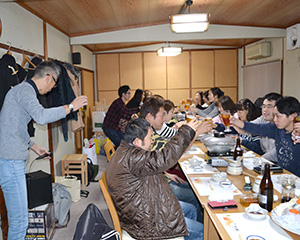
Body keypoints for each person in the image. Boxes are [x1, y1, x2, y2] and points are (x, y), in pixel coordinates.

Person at [0, 61, 88, 240]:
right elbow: (41, 116)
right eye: (54, 84)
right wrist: (71, 107)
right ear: (49, 77)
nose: (52, 89)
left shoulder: (21, 91)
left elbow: (14, 127)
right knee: (20, 222)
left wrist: (33, 146)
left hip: (11, 158)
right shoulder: (24, 90)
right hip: (10, 161)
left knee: (20, 219)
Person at [106, 118, 205, 240]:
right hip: (145, 222)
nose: (152, 141)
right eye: (150, 138)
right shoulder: (133, 158)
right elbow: (165, 156)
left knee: (190, 209)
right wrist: (186, 131)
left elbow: (158, 160)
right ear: (137, 141)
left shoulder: (127, 151)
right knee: (202, 231)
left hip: (142, 204)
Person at [140, 97, 212, 222]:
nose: (164, 119)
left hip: (157, 178)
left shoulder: (147, 130)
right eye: (162, 115)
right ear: (150, 117)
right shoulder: (145, 136)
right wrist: (196, 133)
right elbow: (172, 153)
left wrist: (165, 173)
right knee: (197, 196)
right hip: (156, 189)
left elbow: (153, 159)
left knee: (194, 189)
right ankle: (199, 231)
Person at [230, 96, 300, 177]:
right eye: (274, 116)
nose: (275, 120)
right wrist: (234, 121)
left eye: (278, 116)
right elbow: (256, 128)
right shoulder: (277, 129)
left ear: (292, 116)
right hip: (282, 174)